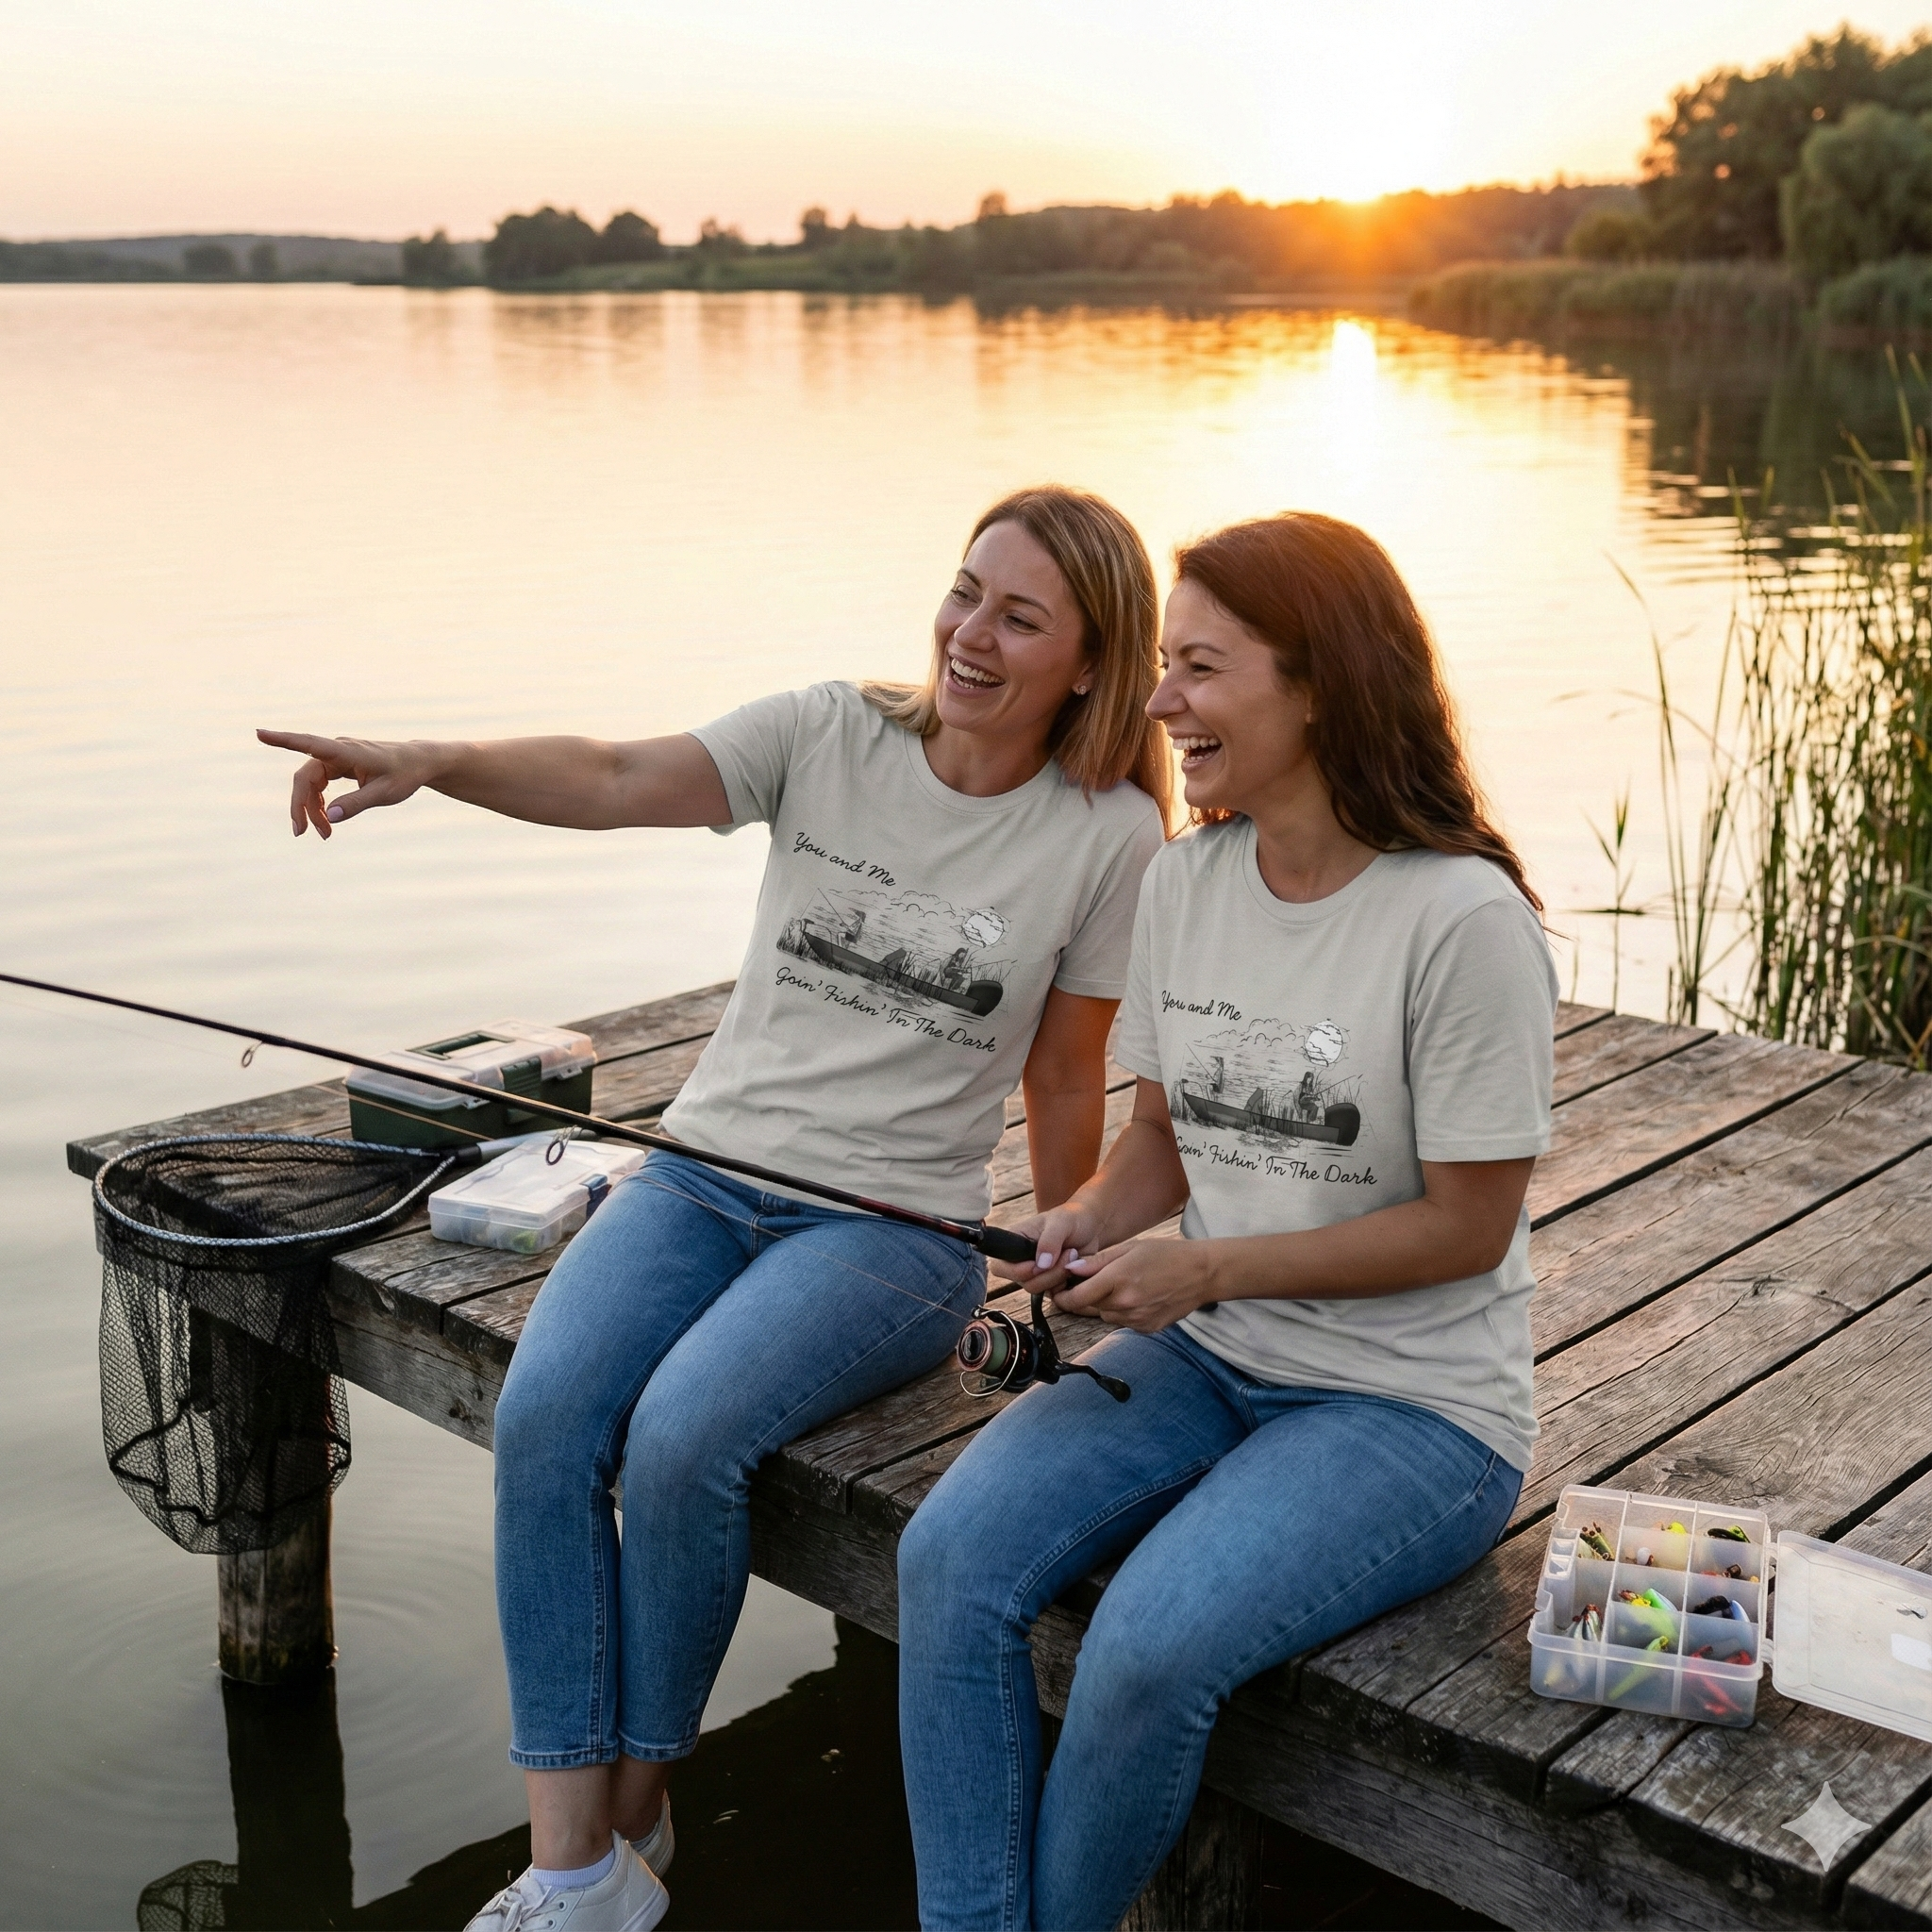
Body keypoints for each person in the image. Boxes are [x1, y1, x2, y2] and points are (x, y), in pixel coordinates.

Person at [259, 486, 1172, 1932]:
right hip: (696, 1177)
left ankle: (627, 1825)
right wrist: (428, 758)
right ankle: (575, 1871)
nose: (971, 633)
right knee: (551, 1413)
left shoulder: (1110, 834)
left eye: (1020, 616)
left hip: (894, 1233)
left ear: (1088, 658)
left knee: (686, 1436)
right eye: (963, 590)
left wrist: (1066, 1252)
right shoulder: (831, 732)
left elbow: (1069, 1072)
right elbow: (618, 770)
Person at [896, 511, 1556, 1932]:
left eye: (1200, 666)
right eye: (1163, 666)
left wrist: (1205, 1271)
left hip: (1412, 1413)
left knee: (1145, 1648)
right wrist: (1081, 1223)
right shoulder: (1186, 882)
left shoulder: (1462, 919)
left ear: (1315, 682)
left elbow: (1467, 1226)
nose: (1159, 701)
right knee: (946, 1561)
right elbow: (1164, 1145)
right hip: (1209, 1356)